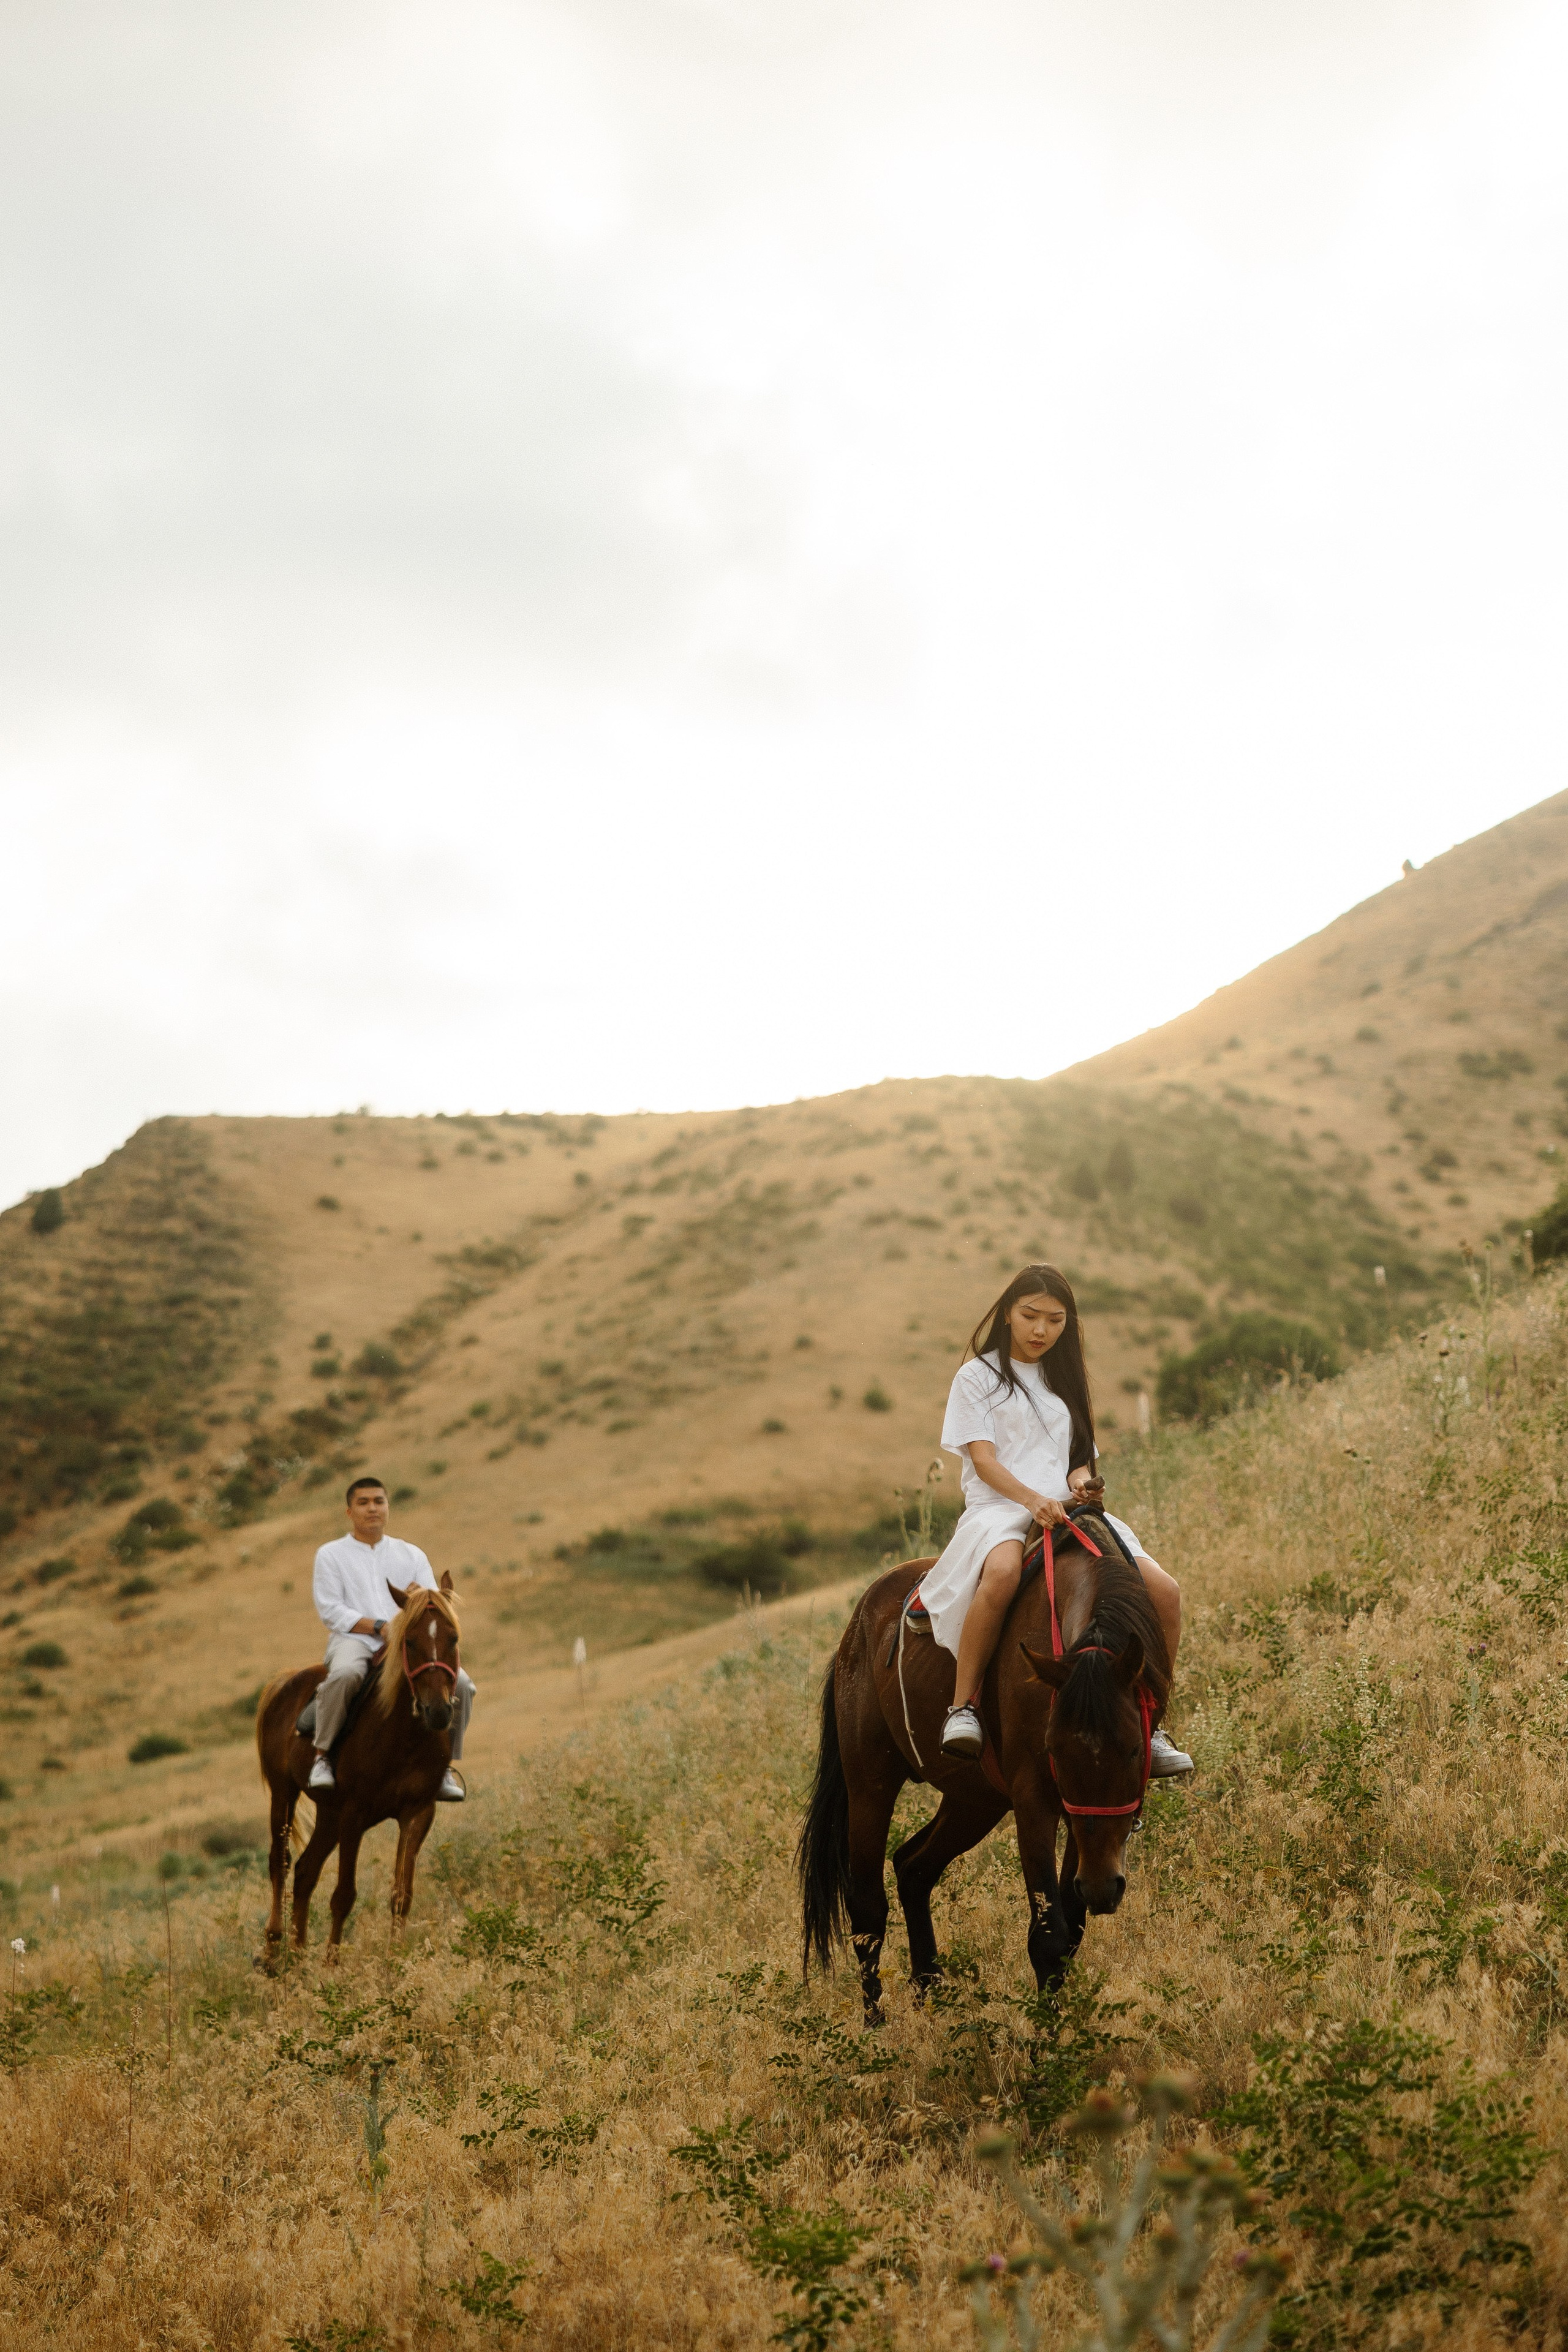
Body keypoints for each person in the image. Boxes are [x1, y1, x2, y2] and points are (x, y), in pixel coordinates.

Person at [919, 1264, 1192, 1774]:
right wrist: (1030, 1501)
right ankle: (962, 1708)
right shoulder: (977, 1376)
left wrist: (1080, 1486)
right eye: (1030, 1316)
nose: (1041, 1330)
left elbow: (1077, 1460)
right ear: (1006, 1314)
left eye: (1055, 1320)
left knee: (1166, 1592)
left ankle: (1152, 1725)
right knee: (1000, 1575)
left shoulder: (1065, 1379)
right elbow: (984, 1461)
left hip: (1067, 1510)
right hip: (1000, 1507)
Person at [307, 1476, 473, 1800]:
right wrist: (378, 1626)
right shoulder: (330, 1555)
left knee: (463, 1685)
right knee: (346, 1674)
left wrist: (421, 1598)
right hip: (354, 1639)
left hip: (407, 1644)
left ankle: (444, 1767)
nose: (373, 1509)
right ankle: (322, 1758)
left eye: (379, 1502)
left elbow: (431, 1606)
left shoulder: (411, 1554)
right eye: (363, 1502)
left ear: (388, 1508)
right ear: (349, 1511)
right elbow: (330, 1610)